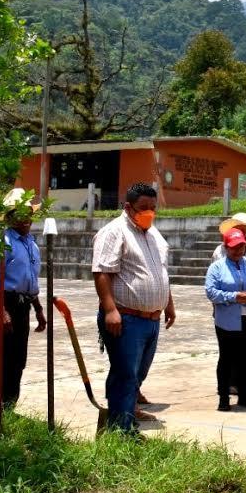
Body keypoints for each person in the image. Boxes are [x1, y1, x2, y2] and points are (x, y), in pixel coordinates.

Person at [92, 182, 176, 434]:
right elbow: (102, 272)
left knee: (137, 375)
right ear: (128, 207)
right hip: (125, 317)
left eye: (153, 208)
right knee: (125, 374)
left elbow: (161, 272)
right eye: (143, 208)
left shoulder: (154, 234)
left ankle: (122, 418)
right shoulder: (114, 232)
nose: (149, 212)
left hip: (152, 319)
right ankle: (121, 430)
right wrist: (110, 310)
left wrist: (168, 304)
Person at [0, 188, 46, 409]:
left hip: (23, 305)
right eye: (20, 213)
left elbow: (30, 281)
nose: (26, 218)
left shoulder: (31, 244)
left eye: (29, 213)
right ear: (10, 216)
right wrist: (2, 311)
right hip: (5, 303)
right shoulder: (2, 240)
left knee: (19, 358)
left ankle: (10, 405)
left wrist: (38, 308)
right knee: (2, 359)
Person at [206, 227, 246, 411]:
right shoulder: (217, 267)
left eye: (241, 247)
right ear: (226, 247)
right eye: (234, 247)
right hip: (227, 321)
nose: (238, 251)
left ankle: (244, 395)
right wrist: (233, 297)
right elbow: (211, 292)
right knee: (226, 359)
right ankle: (224, 398)